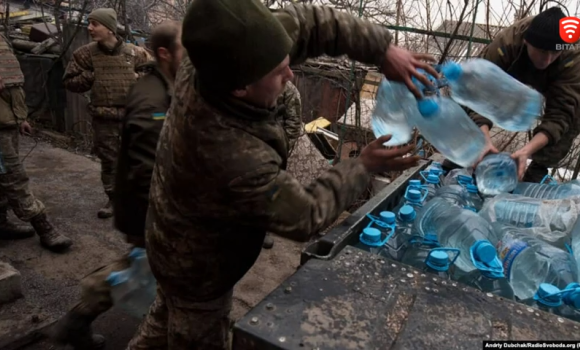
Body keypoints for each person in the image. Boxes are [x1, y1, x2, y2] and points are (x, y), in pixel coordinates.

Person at [126, 1, 436, 349]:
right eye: (279, 72)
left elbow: (313, 22)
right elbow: (304, 215)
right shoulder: (230, 154)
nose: (291, 76)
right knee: (193, 325)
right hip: (195, 265)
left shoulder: (215, 58)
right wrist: (363, 165)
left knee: (165, 314)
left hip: (168, 227)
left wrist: (383, 49)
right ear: (240, 88)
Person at [49, 21, 184, 350]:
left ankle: (79, 320)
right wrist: (158, 215)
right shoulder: (153, 99)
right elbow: (147, 165)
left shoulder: (165, 85)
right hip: (147, 205)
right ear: (166, 53)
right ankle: (81, 319)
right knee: (145, 265)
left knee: (143, 264)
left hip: (150, 204)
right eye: (186, 49)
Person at [460, 6, 580, 182]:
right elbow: (479, 94)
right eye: (542, 51)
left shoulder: (572, 58)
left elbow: (560, 116)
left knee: (574, 115)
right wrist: (483, 139)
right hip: (513, 69)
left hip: (557, 79)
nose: (547, 59)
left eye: (554, 52)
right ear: (526, 42)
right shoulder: (505, 45)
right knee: (465, 91)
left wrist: (526, 151)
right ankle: (464, 156)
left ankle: (537, 169)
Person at [62, 8, 151, 219]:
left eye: (95, 24)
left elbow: (155, 75)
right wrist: (90, 77)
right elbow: (69, 82)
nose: (89, 28)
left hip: (134, 117)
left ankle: (140, 199)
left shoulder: (135, 52)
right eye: (89, 23)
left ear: (110, 28)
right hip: (104, 119)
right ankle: (114, 199)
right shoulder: (85, 54)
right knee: (110, 161)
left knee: (140, 160)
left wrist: (137, 78)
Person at [0, 33, 72, 250]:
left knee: (3, 177)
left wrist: (21, 118)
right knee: (13, 177)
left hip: (7, 121)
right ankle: (44, 227)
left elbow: (13, 87)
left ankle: (1, 223)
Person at [263, 80, 303, 250]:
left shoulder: (289, 91)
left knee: (272, 190)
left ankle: (264, 230)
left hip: (276, 150)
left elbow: (294, 124)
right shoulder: (255, 82)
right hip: (253, 144)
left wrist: (282, 149)